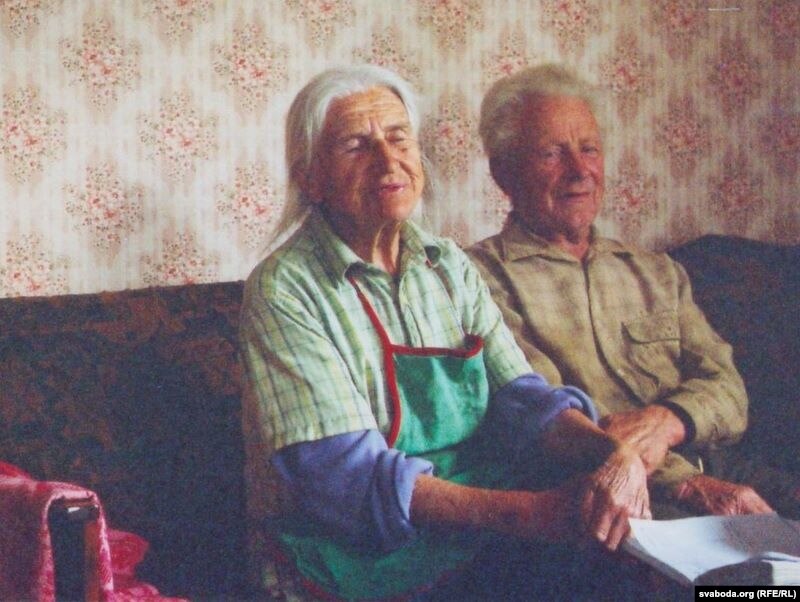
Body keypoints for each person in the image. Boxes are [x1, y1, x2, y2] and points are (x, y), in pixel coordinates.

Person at [239, 65, 651, 601]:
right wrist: (533, 514)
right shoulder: (285, 289)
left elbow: (523, 399)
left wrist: (614, 455)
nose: (388, 160)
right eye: (357, 146)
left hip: (474, 527)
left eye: (399, 138)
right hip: (359, 550)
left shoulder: (447, 264)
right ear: (310, 178)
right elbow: (343, 478)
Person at [468, 63, 799, 521]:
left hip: (723, 465)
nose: (579, 170)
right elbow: (549, 420)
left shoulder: (658, 272)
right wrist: (687, 484)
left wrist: (669, 421)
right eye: (552, 154)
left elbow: (729, 391)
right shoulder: (480, 280)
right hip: (611, 490)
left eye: (589, 149)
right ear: (504, 174)